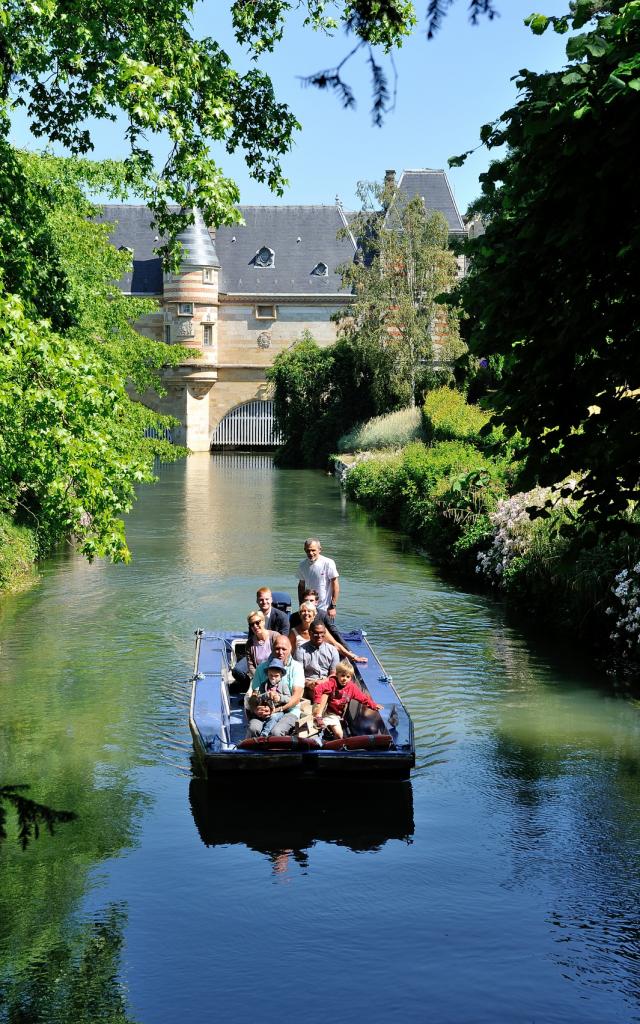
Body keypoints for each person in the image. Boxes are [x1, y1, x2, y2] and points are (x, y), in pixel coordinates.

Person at [245, 636, 304, 737]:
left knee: (275, 732)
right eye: (277, 648)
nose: (280, 652)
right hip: (265, 708)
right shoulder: (261, 668)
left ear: (290, 649)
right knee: (253, 728)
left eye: (284, 649)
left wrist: (277, 710)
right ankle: (254, 750)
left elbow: (296, 698)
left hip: (289, 711)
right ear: (272, 649)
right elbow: (255, 693)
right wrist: (256, 709)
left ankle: (276, 752)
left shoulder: (296, 667)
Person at [312, 659, 384, 739]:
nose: (345, 679)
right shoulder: (332, 683)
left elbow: (363, 698)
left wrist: (374, 705)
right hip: (324, 709)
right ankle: (318, 718)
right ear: (337, 675)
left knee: (339, 735)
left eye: (348, 677)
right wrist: (317, 702)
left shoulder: (352, 688)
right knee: (326, 692)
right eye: (342, 676)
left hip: (334, 714)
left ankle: (331, 741)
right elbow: (318, 689)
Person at [289, 600, 367, 664]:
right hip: (302, 664)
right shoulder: (294, 632)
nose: (306, 613)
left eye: (309, 611)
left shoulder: (321, 630)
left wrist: (354, 657)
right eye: (303, 611)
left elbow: (335, 645)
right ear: (299, 614)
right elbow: (290, 652)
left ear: (314, 614)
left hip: (321, 663)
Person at [297, 538, 339, 620]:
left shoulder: (328, 563)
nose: (310, 553)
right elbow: (301, 586)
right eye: (308, 550)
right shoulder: (302, 564)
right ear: (304, 550)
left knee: (324, 631)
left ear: (320, 550)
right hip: (308, 607)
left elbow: (335, 585)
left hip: (325, 608)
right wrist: (301, 604)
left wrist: (333, 606)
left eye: (313, 550)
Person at [245, 659, 289, 737]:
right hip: (266, 708)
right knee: (260, 717)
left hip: (277, 710)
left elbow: (288, 698)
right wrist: (266, 695)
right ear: (267, 674)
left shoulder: (284, 685)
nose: (273, 678)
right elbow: (259, 697)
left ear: (281, 676)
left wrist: (279, 698)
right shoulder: (263, 684)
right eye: (271, 675)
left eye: (276, 676)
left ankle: (264, 734)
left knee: (273, 717)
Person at [293, 623, 339, 690]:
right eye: (316, 633)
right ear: (310, 633)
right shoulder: (300, 651)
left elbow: (334, 673)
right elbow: (297, 675)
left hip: (326, 682)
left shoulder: (332, 650)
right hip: (308, 683)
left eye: (322, 633)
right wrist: (308, 683)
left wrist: (323, 682)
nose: (319, 636)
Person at [246, 611, 280, 681]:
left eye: (257, 622)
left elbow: (282, 658)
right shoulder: (250, 643)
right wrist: (258, 677)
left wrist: (272, 676)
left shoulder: (275, 637)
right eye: (252, 624)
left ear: (263, 622)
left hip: (276, 675)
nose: (255, 626)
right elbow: (251, 665)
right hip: (259, 676)